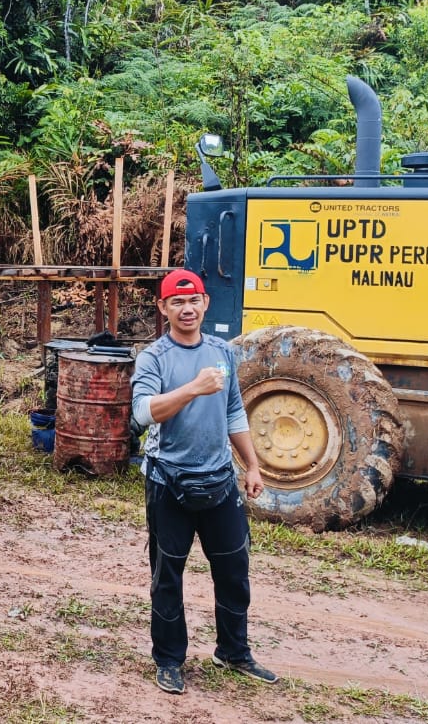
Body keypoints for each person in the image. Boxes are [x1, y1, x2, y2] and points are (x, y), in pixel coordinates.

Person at [130, 268, 276, 695]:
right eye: (177, 301)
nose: (187, 308)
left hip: (218, 481)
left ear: (205, 303)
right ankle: (170, 660)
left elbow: (233, 411)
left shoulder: (221, 352)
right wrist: (192, 388)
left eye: (193, 299)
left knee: (234, 570)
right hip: (168, 482)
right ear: (163, 308)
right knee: (167, 576)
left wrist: (251, 464)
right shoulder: (154, 357)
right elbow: (141, 415)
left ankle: (233, 651)